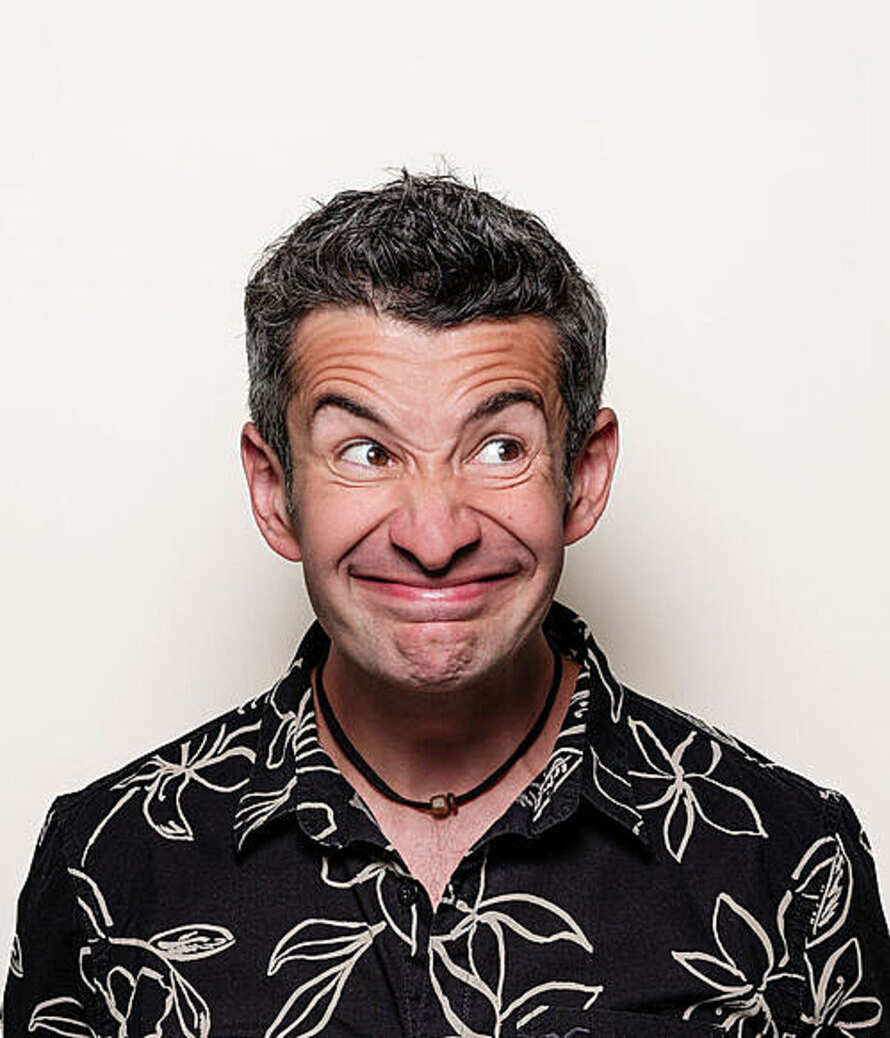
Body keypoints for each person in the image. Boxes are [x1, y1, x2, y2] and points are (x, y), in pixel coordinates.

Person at [4, 170, 889, 1038]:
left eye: (499, 448)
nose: (434, 537)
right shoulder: (108, 860)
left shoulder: (789, 857)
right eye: (365, 452)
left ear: (584, 477)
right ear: (275, 492)